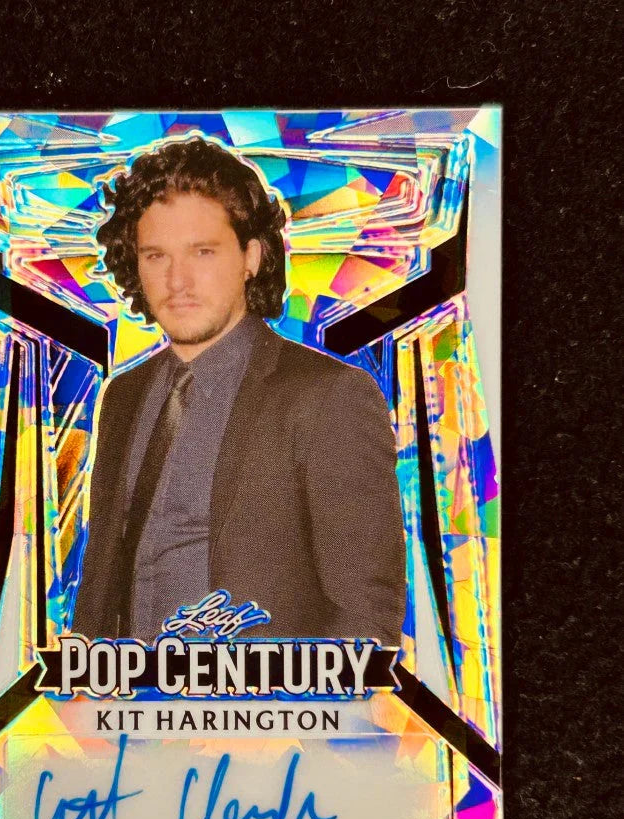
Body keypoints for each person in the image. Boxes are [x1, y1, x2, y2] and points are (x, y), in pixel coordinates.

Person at [72, 136, 405, 644]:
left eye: (202, 252)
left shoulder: (329, 396)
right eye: (156, 255)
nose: (177, 281)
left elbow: (366, 616)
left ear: (251, 256)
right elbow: (101, 584)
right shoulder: (124, 396)